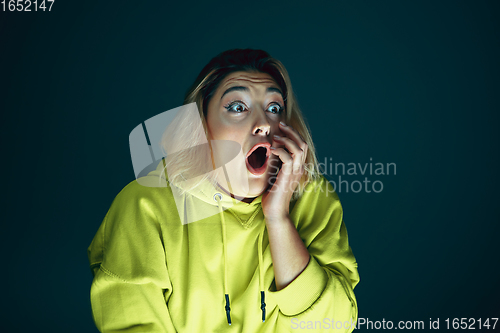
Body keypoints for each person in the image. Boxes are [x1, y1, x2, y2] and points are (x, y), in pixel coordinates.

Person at [87, 49, 360, 332]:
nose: (264, 124)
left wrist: (278, 219)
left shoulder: (314, 198)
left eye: (274, 108)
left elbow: (335, 325)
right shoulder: (144, 205)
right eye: (237, 107)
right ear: (201, 125)